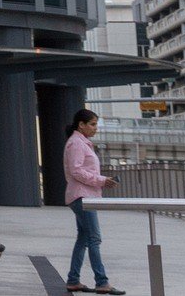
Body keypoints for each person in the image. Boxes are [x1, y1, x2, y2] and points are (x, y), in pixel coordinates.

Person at [63, 108, 125, 294]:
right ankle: (102, 282)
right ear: (81, 125)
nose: (95, 128)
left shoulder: (82, 143)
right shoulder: (76, 144)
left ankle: (73, 280)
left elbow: (80, 171)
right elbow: (76, 171)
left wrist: (103, 181)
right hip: (82, 197)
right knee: (94, 238)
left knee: (83, 239)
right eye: (92, 124)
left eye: (96, 124)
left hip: (84, 196)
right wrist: (101, 180)